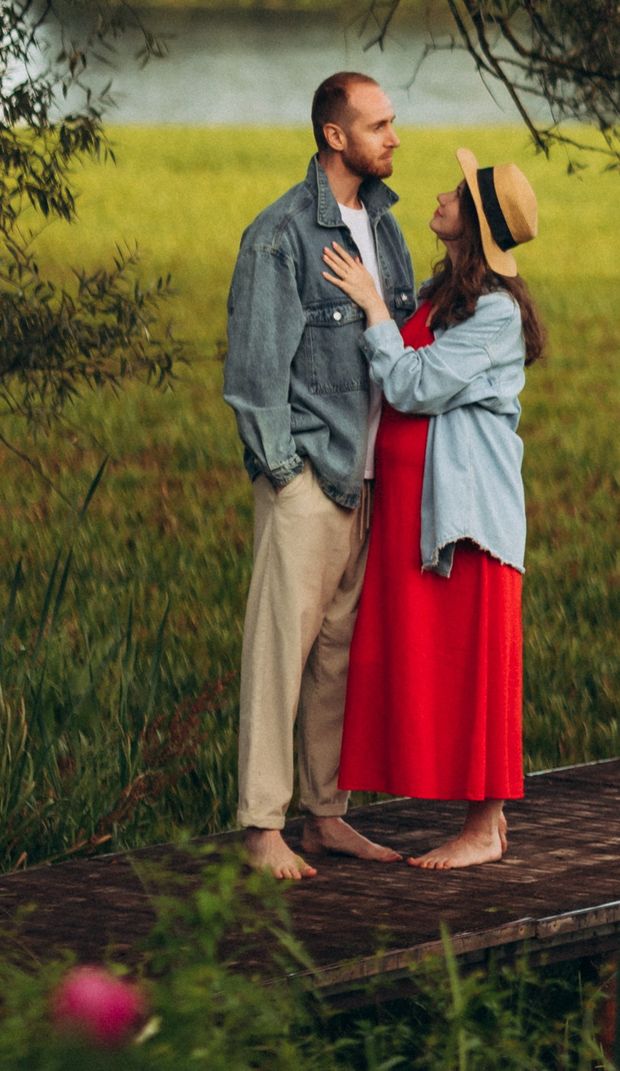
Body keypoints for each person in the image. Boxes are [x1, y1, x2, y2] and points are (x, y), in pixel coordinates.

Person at [321, 147, 543, 870]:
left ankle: (486, 826)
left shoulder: (497, 315)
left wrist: (374, 307)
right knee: (426, 663)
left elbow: (414, 383)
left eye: (456, 194)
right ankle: (468, 819)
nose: (442, 196)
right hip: (414, 515)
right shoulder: (442, 293)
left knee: (477, 663)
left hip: (465, 516)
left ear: (471, 225)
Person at [222, 72, 419, 879]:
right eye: (378, 126)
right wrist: (283, 472)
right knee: (280, 649)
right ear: (336, 136)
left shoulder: (384, 227)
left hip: (368, 476)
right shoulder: (281, 234)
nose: (394, 137)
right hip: (310, 473)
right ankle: (263, 825)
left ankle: (325, 815)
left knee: (336, 651)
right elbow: (255, 372)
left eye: (392, 123)